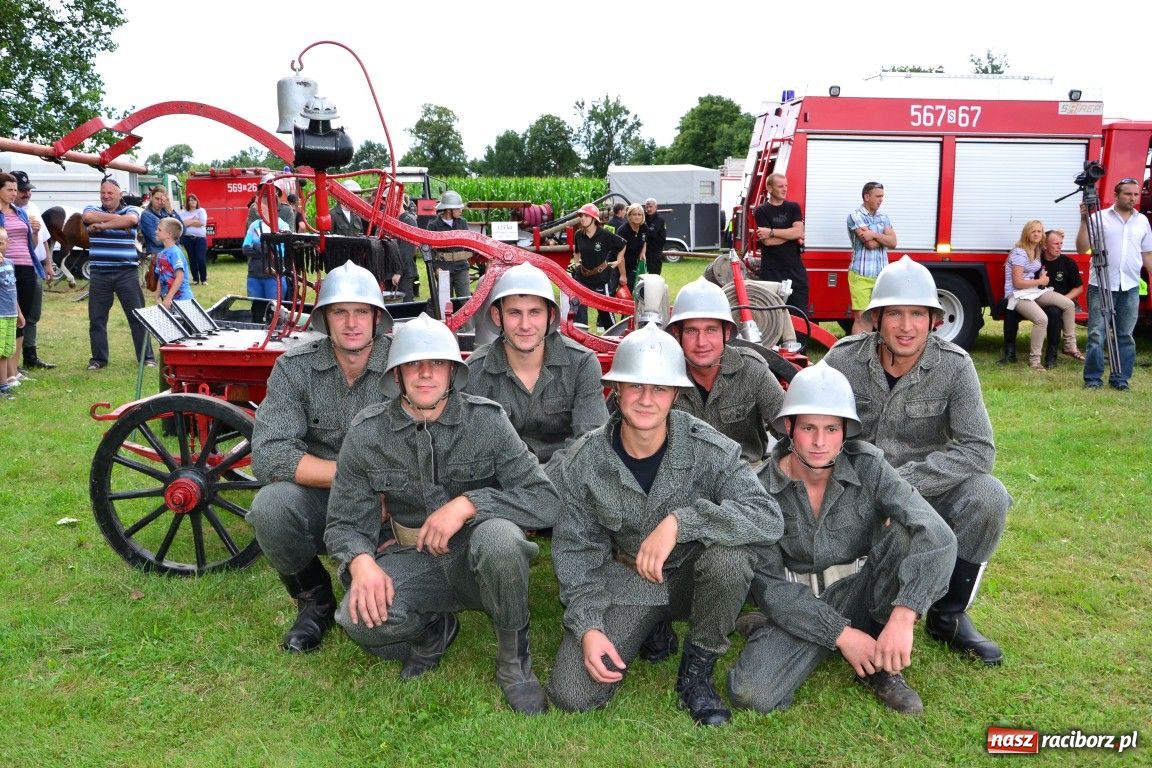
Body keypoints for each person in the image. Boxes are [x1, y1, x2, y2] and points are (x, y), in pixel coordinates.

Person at [547, 323, 783, 726]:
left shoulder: (709, 448)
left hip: (692, 579)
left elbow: (766, 517)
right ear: (616, 389)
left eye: (659, 388)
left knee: (731, 558)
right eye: (635, 386)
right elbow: (575, 552)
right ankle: (651, 625)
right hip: (626, 579)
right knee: (573, 694)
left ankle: (697, 671)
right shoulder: (584, 461)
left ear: (675, 394)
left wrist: (682, 521)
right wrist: (588, 626)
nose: (646, 399)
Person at [325, 313, 558, 715]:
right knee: (354, 618)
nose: (426, 374)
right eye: (414, 364)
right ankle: (434, 626)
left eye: (437, 363)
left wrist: (469, 504)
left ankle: (514, 660)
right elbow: (344, 522)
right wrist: (360, 562)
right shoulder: (367, 433)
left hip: (480, 560)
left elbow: (545, 498)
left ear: (453, 371)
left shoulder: (487, 420)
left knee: (501, 539)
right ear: (397, 375)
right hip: (414, 558)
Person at [727, 364, 956, 715]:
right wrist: (841, 635)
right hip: (801, 601)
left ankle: (881, 660)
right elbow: (772, 588)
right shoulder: (759, 490)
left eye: (831, 429)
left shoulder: (870, 466)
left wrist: (904, 615)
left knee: (907, 532)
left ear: (845, 430)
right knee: (750, 694)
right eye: (808, 428)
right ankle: (783, 628)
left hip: (866, 591)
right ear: (789, 428)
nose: (820, 442)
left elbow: (938, 534)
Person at [824, 256, 1009, 666]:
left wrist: (904, 491)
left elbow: (979, 449)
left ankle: (948, 614)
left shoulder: (956, 367)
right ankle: (854, 607)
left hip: (924, 489)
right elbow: (810, 425)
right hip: (854, 490)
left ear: (934, 319)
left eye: (917, 314)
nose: (906, 327)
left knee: (989, 496)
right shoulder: (842, 360)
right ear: (877, 318)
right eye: (895, 313)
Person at [248, 261, 393, 654]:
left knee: (382, 617)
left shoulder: (404, 367)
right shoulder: (295, 369)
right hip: (325, 494)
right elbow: (270, 454)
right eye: (339, 312)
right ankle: (314, 599)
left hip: (393, 502)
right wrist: (351, 477)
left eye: (361, 311)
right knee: (271, 508)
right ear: (324, 318)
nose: (351, 322)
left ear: (377, 318)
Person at [464, 263, 609, 482]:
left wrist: (539, 479)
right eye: (514, 313)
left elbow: (590, 441)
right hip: (504, 489)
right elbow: (472, 449)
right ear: (497, 316)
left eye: (534, 312)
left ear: (550, 316)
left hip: (568, 483)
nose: (525, 325)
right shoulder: (475, 372)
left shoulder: (581, 364)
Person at [1076, 177, 1152, 391]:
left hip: (1129, 286)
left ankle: (1121, 378)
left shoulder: (1142, 221)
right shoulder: (1099, 218)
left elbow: (1147, 254)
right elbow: (1082, 248)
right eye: (1128, 194)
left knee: (1125, 334)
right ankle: (1092, 378)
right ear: (1116, 195)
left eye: (1136, 194)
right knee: (1096, 333)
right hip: (1101, 284)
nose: (1133, 198)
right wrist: (1083, 221)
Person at [82, 177, 154, 370]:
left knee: (138, 316)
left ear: (119, 195)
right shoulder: (91, 208)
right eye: (103, 193)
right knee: (97, 318)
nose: (106, 196)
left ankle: (146, 358)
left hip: (127, 272)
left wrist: (103, 225)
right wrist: (118, 222)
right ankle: (98, 359)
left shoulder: (130, 210)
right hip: (99, 273)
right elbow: (88, 218)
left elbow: (131, 220)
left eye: (110, 193)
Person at [1002, 220, 1079, 371]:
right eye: (1033, 231)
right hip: (1017, 294)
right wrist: (1041, 280)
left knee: (1068, 304)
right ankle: (1035, 361)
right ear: (1026, 233)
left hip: (1032, 291)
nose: (1037, 234)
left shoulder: (1036, 249)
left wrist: (1058, 234)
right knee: (1042, 319)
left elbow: (1051, 241)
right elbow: (1017, 283)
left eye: (1039, 231)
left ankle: (1070, 345)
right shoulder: (1020, 252)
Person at [11, 170, 55, 370]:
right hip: (13, 268)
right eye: (21, 190)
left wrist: (47, 264)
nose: (26, 194)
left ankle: (30, 355)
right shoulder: (9, 213)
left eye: (28, 190)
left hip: (33, 266)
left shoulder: (33, 207)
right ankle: (11, 363)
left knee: (32, 313)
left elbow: (44, 239)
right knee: (13, 314)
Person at [846, 181, 897, 334]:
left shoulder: (884, 216)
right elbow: (870, 245)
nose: (881, 200)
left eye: (882, 196)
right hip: (861, 275)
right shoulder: (855, 216)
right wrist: (882, 238)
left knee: (882, 318)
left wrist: (873, 234)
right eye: (878, 196)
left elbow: (893, 242)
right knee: (863, 318)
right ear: (867, 196)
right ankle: (859, 354)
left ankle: (877, 354)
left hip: (882, 276)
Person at [754, 173, 807, 315]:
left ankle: (799, 338)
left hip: (795, 269)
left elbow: (797, 232)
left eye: (786, 186)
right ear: (769, 188)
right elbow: (767, 242)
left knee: (799, 314)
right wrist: (791, 234)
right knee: (773, 315)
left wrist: (771, 231)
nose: (785, 189)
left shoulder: (793, 207)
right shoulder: (761, 211)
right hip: (771, 271)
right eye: (780, 186)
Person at [570, 203, 626, 331]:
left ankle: (614, 334)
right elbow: (577, 252)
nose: (582, 218)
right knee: (576, 304)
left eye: (586, 216)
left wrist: (618, 261)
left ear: (594, 218)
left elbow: (623, 244)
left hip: (601, 278)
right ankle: (580, 334)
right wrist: (576, 263)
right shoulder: (578, 234)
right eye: (581, 216)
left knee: (605, 311)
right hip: (582, 277)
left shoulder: (605, 234)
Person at [425, 190, 473, 323]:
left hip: (461, 267)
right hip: (443, 268)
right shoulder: (433, 225)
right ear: (448, 210)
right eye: (458, 208)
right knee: (444, 301)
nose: (461, 210)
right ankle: (443, 328)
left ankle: (469, 330)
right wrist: (436, 268)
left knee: (465, 300)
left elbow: (468, 244)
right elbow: (430, 249)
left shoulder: (462, 223)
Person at [242, 193, 291, 324]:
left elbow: (280, 251)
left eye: (257, 204)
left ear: (268, 206)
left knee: (275, 313)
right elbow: (245, 248)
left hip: (273, 277)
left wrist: (257, 246)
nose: (254, 207)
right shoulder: (254, 226)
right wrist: (265, 247)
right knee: (256, 311)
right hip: (254, 275)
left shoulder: (282, 226)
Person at [0, 228, 25, 398]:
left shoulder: (9, 263)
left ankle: (5, 382)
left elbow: (12, 290)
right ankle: (2, 386)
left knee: (7, 350)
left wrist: (19, 313)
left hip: (10, 314)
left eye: (2, 242)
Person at [153, 218, 193, 310]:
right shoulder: (161, 254)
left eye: (159, 230)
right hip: (169, 301)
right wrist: (157, 296)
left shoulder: (175, 252)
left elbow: (180, 276)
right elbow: (161, 277)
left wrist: (168, 298)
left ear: (169, 234)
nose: (156, 232)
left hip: (183, 300)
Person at [139, 186, 179, 257]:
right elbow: (157, 241)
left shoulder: (167, 213)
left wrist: (170, 210)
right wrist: (176, 240)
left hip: (172, 255)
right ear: (151, 197)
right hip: (158, 256)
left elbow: (183, 230)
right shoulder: (146, 214)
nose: (159, 202)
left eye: (162, 199)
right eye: (157, 199)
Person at [617, 203, 648, 292]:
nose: (637, 217)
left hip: (632, 264)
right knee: (615, 291)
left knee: (631, 290)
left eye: (639, 214)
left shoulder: (644, 227)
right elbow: (620, 255)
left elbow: (645, 240)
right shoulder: (622, 231)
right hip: (617, 265)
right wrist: (623, 275)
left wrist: (643, 252)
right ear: (629, 216)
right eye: (634, 214)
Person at [180, 193, 209, 285]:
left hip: (200, 239)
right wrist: (194, 220)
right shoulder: (183, 213)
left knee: (200, 258)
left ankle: (203, 279)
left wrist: (188, 222)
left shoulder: (201, 211)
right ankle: (195, 279)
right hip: (187, 239)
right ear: (187, 202)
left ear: (197, 201)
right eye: (190, 200)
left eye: (194, 200)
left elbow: (202, 223)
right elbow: (182, 224)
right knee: (192, 259)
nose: (192, 202)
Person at [395, 195, 419, 301]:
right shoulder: (392, 219)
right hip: (393, 271)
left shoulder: (408, 221)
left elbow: (406, 251)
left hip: (404, 272)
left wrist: (398, 272)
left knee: (406, 304)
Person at [643, 198, 667, 276]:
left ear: (655, 207)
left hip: (655, 253)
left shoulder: (659, 219)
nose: (648, 209)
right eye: (647, 207)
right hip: (644, 252)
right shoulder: (644, 218)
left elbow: (651, 233)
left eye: (651, 207)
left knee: (654, 276)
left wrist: (642, 225)